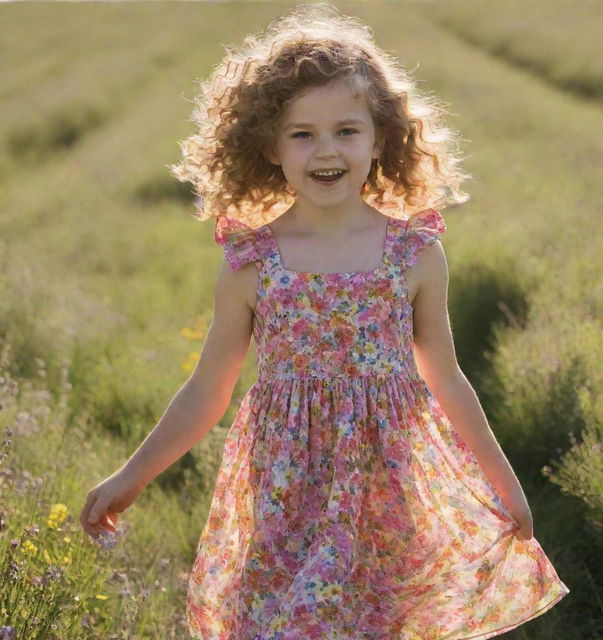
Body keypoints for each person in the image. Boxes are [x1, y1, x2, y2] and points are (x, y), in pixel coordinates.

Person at [80, 3, 570, 638]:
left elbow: (447, 378)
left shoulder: (413, 253)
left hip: (385, 491)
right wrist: (131, 476)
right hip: (285, 496)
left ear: (380, 137)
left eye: (346, 130)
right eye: (302, 134)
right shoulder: (253, 261)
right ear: (269, 145)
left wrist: (507, 487)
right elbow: (209, 388)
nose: (326, 150)